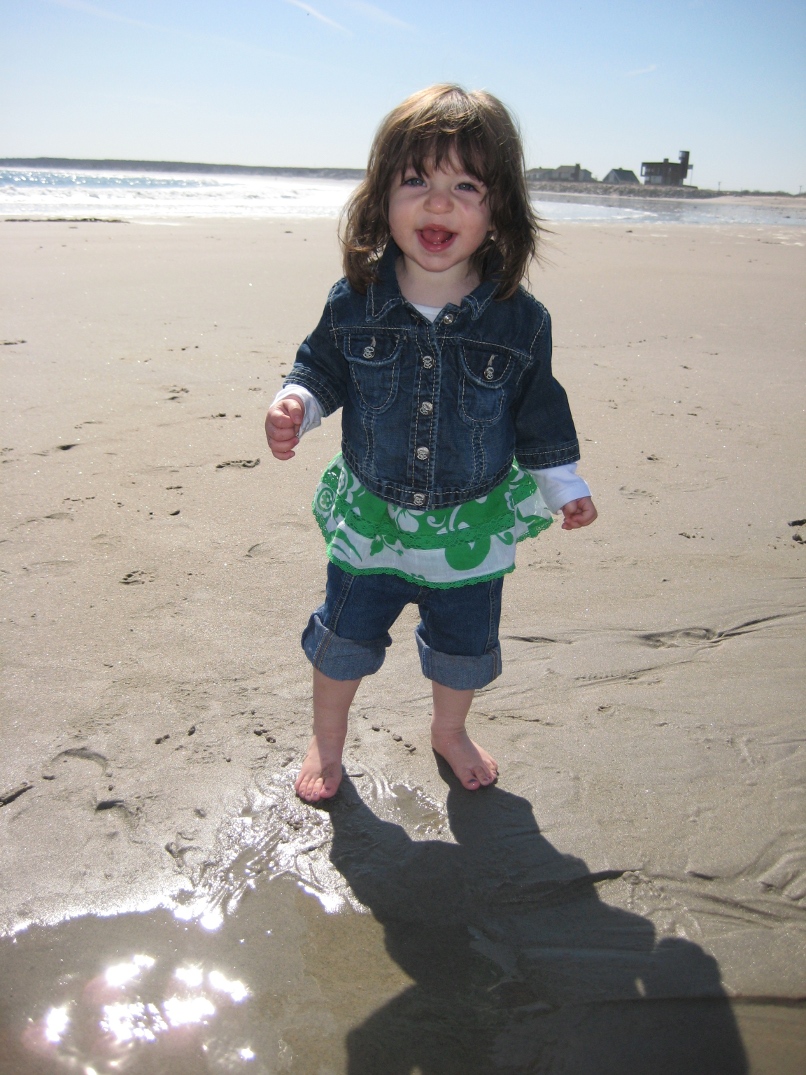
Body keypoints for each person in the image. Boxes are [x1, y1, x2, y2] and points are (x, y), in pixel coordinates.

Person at [265, 84, 597, 803]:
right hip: (373, 521)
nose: (438, 203)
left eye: (465, 186)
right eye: (416, 180)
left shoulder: (520, 320)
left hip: (470, 527)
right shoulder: (355, 298)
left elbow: (539, 411)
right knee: (342, 639)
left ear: (499, 209)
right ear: (381, 197)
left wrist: (563, 483)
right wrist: (297, 403)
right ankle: (327, 741)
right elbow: (322, 366)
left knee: (462, 649)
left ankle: (449, 730)